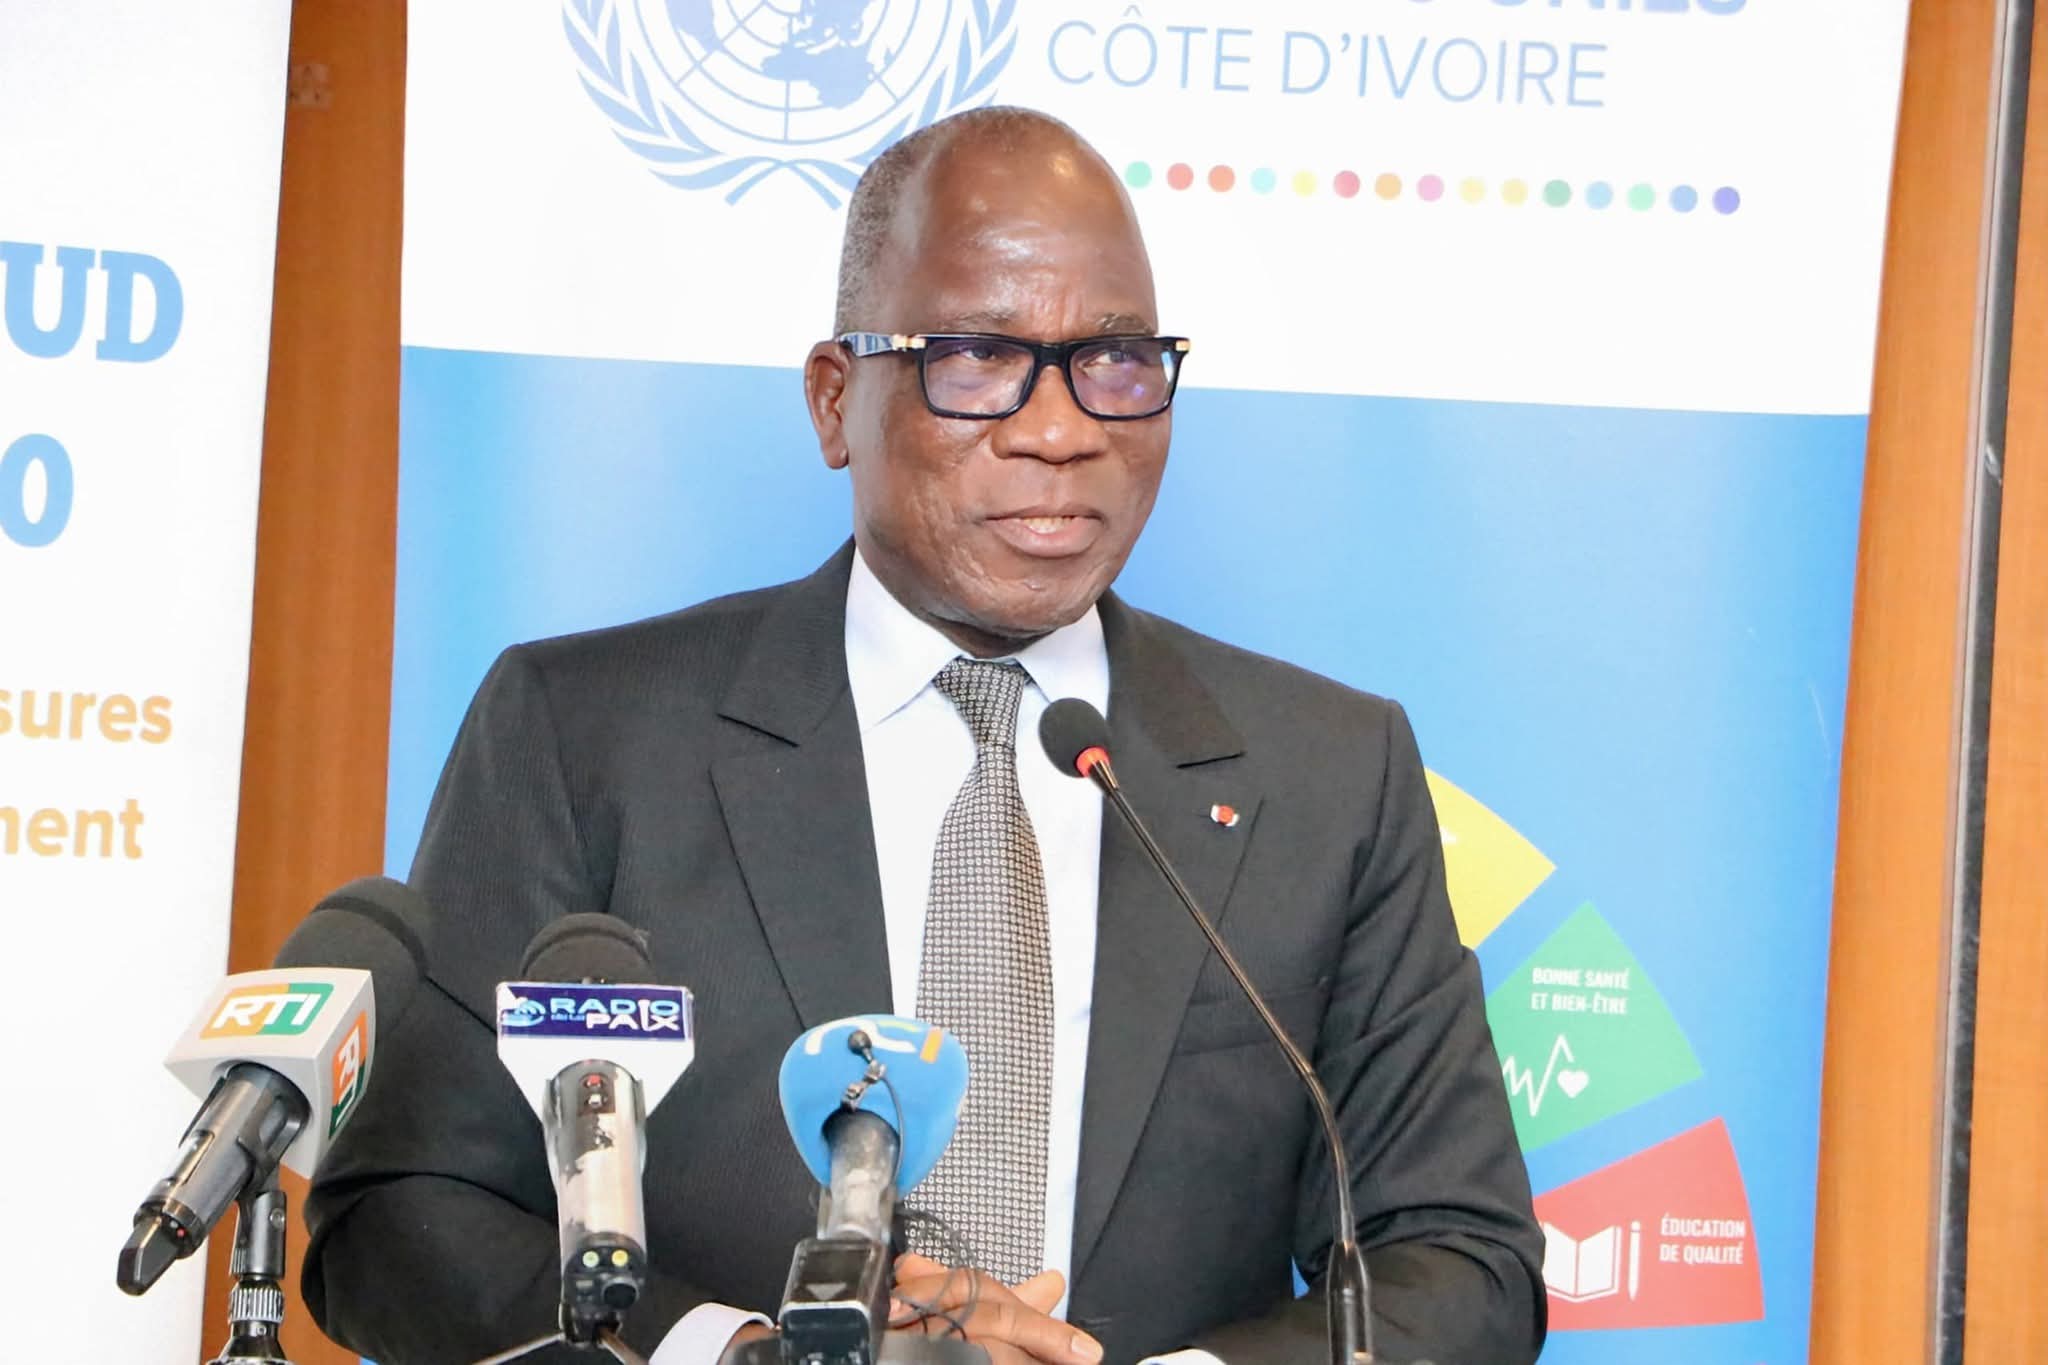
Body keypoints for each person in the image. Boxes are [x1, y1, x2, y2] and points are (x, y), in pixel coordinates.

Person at [303, 106, 1545, 1365]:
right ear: (835, 399)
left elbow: (1461, 1260)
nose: (1059, 429)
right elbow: (399, 1222)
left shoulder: (1325, 775)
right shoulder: (582, 737)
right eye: (977, 357)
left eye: (1116, 361)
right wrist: (733, 1357)